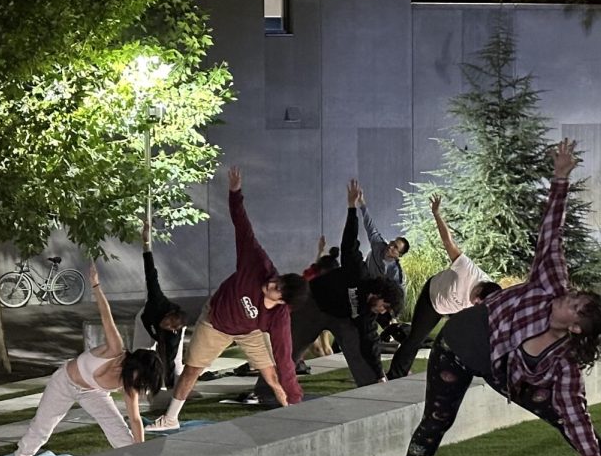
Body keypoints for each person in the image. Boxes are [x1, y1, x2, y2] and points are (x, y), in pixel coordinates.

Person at [383, 139, 601, 456]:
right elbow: (551, 234)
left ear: (576, 328)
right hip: (456, 348)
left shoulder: (563, 364)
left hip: (499, 367)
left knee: (560, 413)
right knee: (437, 418)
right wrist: (559, 178)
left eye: (575, 305)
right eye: (575, 295)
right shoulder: (549, 284)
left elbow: (575, 412)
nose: (568, 296)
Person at [149, 166, 308, 431]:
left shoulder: (278, 318)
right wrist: (235, 194)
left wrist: (294, 393)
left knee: (271, 374)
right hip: (216, 322)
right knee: (192, 369)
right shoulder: (258, 265)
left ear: (283, 302)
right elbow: (243, 229)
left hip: (250, 331)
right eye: (277, 281)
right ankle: (170, 418)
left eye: (277, 288)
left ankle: (294, 412)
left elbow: (284, 357)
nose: (272, 283)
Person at [252, 179, 403, 403]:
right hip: (313, 303)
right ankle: (267, 391)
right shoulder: (359, 274)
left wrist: (381, 375)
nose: (382, 310)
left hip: (341, 317)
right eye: (385, 306)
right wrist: (352, 208)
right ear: (379, 295)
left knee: (355, 346)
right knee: (290, 346)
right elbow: (349, 243)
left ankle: (374, 391)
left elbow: (369, 342)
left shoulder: (368, 313)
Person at [3, 264, 163, 456]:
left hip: (93, 393)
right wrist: (96, 285)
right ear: (135, 366)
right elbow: (106, 316)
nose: (137, 383)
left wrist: (140, 450)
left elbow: (135, 419)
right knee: (43, 425)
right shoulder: (115, 350)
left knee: (117, 428)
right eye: (140, 378)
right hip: (65, 382)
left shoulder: (130, 385)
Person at [385, 195, 501, 380]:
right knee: (415, 339)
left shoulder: (489, 300)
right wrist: (437, 214)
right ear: (478, 288)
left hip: (456, 310)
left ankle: (471, 371)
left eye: (478, 304)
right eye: (476, 299)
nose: (474, 303)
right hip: (432, 298)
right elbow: (448, 242)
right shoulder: (467, 270)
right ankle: (394, 375)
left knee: (465, 339)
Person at [131, 219, 186, 391]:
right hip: (145, 320)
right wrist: (146, 243)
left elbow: (171, 356)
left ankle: (176, 385)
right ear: (168, 315)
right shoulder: (158, 301)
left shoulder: (173, 333)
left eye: (170, 327)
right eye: (168, 322)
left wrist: (169, 385)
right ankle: (139, 381)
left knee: (173, 358)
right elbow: (151, 274)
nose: (167, 325)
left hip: (164, 337)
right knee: (142, 352)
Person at [357, 191, 409, 286]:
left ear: (399, 255)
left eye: (395, 247)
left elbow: (395, 294)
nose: (390, 247)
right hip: (363, 279)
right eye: (392, 243)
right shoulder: (379, 245)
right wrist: (362, 203)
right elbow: (370, 227)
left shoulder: (395, 272)